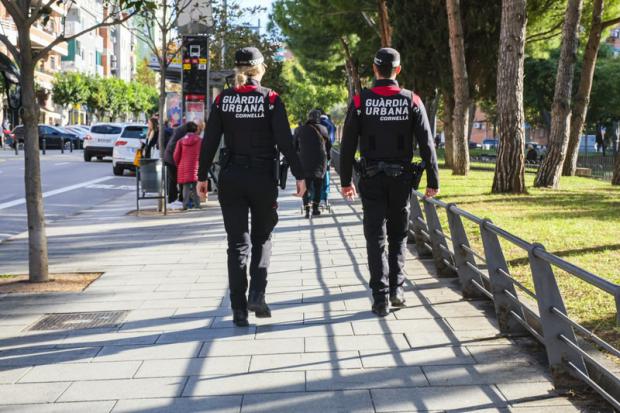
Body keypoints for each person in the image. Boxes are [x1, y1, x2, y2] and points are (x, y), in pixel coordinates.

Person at [197, 47, 306, 327]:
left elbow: (210, 140)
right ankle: (257, 293)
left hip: (231, 177)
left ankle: (238, 310)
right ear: (260, 69)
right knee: (262, 238)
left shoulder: (223, 100)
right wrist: (300, 174)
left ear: (237, 69)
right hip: (262, 178)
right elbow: (285, 142)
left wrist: (201, 177)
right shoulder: (270, 99)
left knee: (237, 245)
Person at [340, 47, 440, 317]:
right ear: (398, 70)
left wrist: (346, 179)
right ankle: (398, 290)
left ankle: (380, 298)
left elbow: (347, 143)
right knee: (398, 236)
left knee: (375, 238)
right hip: (401, 179)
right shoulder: (412, 100)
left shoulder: (361, 101)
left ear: (374, 69)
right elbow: (427, 144)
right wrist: (433, 179)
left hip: (370, 178)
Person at [295, 109, 331, 218]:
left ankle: (306, 209)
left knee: (305, 186)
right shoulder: (323, 129)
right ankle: (315, 209)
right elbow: (329, 145)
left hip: (304, 161)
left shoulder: (299, 130)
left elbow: (294, 146)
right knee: (318, 185)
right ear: (318, 118)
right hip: (320, 162)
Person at [174, 121, 203, 210]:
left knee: (185, 187)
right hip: (196, 166)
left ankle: (185, 205)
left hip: (184, 167)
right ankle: (197, 204)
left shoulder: (181, 141)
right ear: (195, 130)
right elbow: (203, 153)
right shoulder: (200, 140)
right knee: (196, 187)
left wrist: (178, 164)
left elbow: (176, 155)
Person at [163, 122, 191, 204]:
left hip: (170, 159)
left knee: (174, 180)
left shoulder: (179, 132)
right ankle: (174, 200)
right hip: (172, 160)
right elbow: (174, 149)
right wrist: (178, 161)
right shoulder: (182, 135)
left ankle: (174, 199)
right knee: (175, 180)